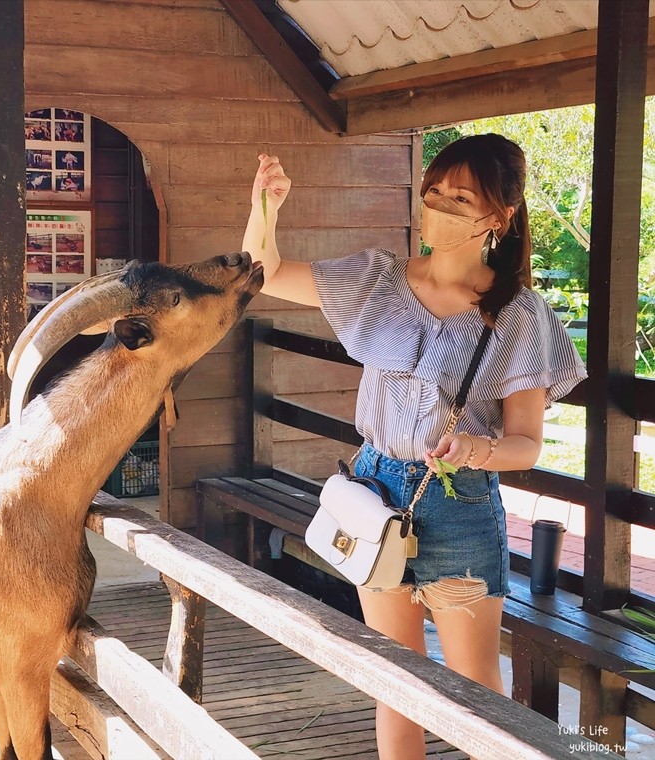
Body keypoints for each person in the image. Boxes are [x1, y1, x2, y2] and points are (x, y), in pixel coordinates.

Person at [243, 134, 586, 759]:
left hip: (457, 506)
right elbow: (263, 272)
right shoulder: (377, 279)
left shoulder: (519, 315)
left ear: (499, 219)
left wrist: (477, 449)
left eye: (461, 198)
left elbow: (527, 444)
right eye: (434, 194)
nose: (440, 208)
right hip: (374, 493)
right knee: (395, 682)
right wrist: (267, 204)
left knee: (476, 692)